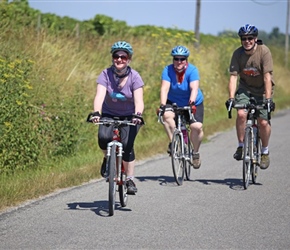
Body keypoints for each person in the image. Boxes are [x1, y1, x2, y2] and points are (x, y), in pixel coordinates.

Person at [91, 41, 144, 194]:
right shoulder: (105, 74)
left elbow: (139, 100)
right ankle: (108, 159)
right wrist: (96, 112)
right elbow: (100, 95)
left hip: (130, 115)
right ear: (112, 57)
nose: (119, 59)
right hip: (109, 113)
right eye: (116, 56)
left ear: (129, 59)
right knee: (103, 138)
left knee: (127, 145)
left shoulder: (135, 77)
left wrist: (138, 115)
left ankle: (129, 179)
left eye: (123, 56)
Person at [225, 24, 275, 169]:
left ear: (255, 39)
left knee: (263, 122)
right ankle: (241, 145)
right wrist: (231, 99)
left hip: (262, 90)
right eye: (244, 39)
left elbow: (267, 77)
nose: (247, 41)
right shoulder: (237, 54)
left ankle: (264, 151)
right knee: (241, 114)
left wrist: (268, 100)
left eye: (250, 38)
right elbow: (233, 78)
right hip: (245, 89)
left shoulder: (264, 51)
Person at [159, 45, 204, 169]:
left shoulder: (192, 70)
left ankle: (195, 153)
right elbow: (164, 88)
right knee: (166, 115)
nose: (179, 62)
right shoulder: (167, 70)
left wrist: (191, 102)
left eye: (182, 59)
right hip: (173, 100)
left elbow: (194, 88)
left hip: (192, 101)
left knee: (196, 127)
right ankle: (174, 142)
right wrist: (163, 105)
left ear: (186, 60)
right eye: (176, 59)